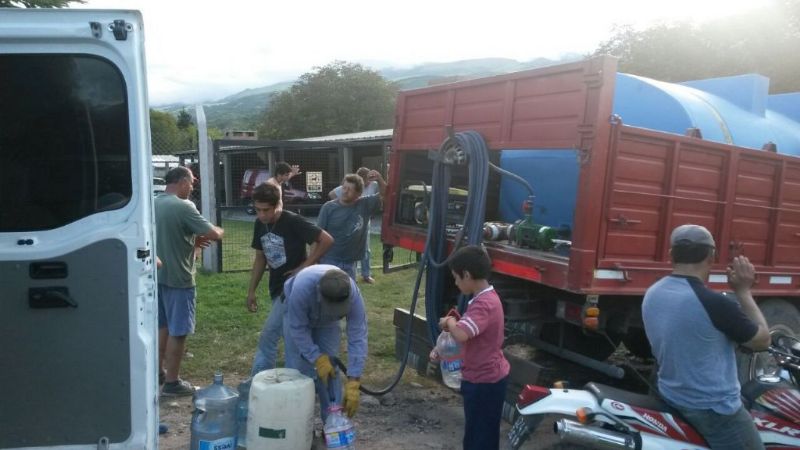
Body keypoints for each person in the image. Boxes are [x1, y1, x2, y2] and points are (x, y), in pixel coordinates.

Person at [643, 224, 770, 450]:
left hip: (670, 393)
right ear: (712, 256)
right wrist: (743, 291)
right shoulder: (716, 303)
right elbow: (762, 341)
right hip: (713, 408)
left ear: (671, 254)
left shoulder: (654, 292)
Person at [246, 182, 333, 375]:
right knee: (286, 338)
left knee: (276, 337)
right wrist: (251, 290)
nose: (261, 215)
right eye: (257, 210)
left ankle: (264, 380)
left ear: (278, 204)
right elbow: (260, 257)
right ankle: (294, 381)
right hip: (277, 288)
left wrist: (305, 266)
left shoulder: (292, 221)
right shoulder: (260, 224)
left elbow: (326, 239)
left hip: (294, 290)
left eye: (266, 210)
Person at [429, 245, 509, 450]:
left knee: (479, 436)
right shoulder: (484, 299)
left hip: (484, 381)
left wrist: (449, 323)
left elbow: (462, 333)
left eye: (456, 278)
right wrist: (442, 349)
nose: (455, 283)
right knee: (479, 432)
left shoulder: (484, 304)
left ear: (467, 275)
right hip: (486, 377)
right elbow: (468, 338)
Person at [156, 166, 224, 396]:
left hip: (156, 276)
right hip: (179, 278)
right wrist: (216, 231)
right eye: (192, 183)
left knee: (161, 326)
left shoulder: (154, 202)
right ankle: (173, 383)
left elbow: (173, 235)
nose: (192, 188)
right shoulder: (183, 206)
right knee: (179, 331)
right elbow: (213, 233)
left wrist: (193, 244)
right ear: (183, 181)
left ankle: (157, 372)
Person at [283, 265, 367, 420]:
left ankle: (332, 423)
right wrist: (316, 358)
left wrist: (354, 380)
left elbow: (358, 336)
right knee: (297, 370)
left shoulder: (353, 295)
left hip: (328, 323)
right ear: (320, 295)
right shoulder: (302, 290)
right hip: (299, 314)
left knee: (331, 370)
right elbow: (298, 328)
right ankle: (297, 426)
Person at [318, 170, 386, 279]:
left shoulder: (364, 205)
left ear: (359, 194)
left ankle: (365, 274)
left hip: (350, 263)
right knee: (328, 293)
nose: (345, 191)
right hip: (329, 260)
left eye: (350, 189)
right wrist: (314, 261)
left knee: (347, 293)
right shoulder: (328, 207)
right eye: (344, 188)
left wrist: (380, 179)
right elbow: (317, 236)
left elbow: (386, 194)